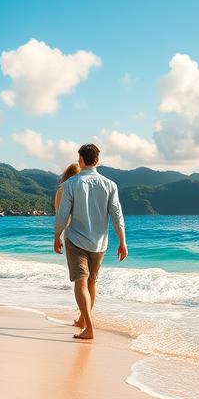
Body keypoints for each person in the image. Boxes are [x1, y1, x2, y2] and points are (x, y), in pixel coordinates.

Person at [53, 143, 127, 340]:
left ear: (81, 160)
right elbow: (117, 216)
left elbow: (61, 215)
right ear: (98, 160)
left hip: (76, 239)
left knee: (81, 282)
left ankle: (88, 327)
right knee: (91, 283)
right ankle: (83, 321)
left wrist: (56, 237)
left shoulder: (70, 184)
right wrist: (123, 242)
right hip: (100, 243)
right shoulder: (111, 185)